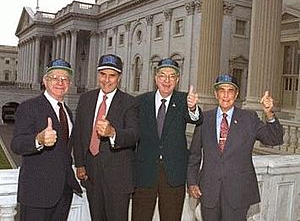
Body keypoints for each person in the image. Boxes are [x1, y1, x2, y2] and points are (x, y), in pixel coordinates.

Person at [187, 74, 284, 221]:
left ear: (236, 94)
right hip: (208, 191)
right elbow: (194, 154)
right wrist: (192, 181)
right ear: (215, 94)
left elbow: (274, 138)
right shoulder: (204, 119)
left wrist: (269, 113)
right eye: (221, 90)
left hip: (238, 193)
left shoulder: (249, 118)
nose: (226, 95)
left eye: (230, 91)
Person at [11, 58, 82, 221]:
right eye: (55, 78)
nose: (60, 82)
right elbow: (16, 144)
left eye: (64, 79)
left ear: (69, 84)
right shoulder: (29, 107)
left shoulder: (68, 113)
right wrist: (39, 139)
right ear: (45, 81)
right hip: (37, 194)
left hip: (63, 193)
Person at [132, 58, 203, 221]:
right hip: (144, 172)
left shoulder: (184, 100)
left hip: (173, 174)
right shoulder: (140, 101)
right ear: (156, 78)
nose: (167, 80)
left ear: (177, 80)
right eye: (163, 76)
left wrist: (192, 107)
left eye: (172, 76)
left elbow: (196, 119)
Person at [73, 54, 139, 221]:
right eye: (103, 74)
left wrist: (113, 133)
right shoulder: (86, 99)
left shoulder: (129, 102)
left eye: (112, 75)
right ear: (98, 75)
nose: (107, 80)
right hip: (92, 174)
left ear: (119, 78)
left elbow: (134, 135)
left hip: (118, 176)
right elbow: (79, 134)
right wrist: (80, 164)